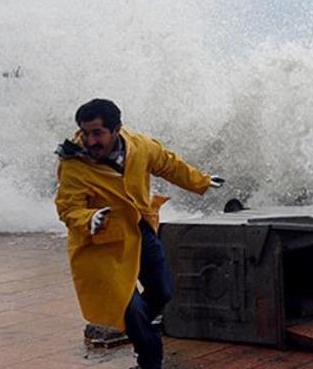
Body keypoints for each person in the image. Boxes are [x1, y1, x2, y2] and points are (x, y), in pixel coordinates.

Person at [54, 99, 223, 369]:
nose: (90, 141)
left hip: (139, 229)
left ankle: (132, 327)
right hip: (101, 243)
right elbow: (68, 207)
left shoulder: (139, 146)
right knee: (130, 308)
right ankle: (149, 360)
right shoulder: (74, 164)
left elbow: (168, 164)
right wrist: (89, 218)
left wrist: (200, 181)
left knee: (163, 291)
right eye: (85, 133)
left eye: (97, 133)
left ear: (116, 129)